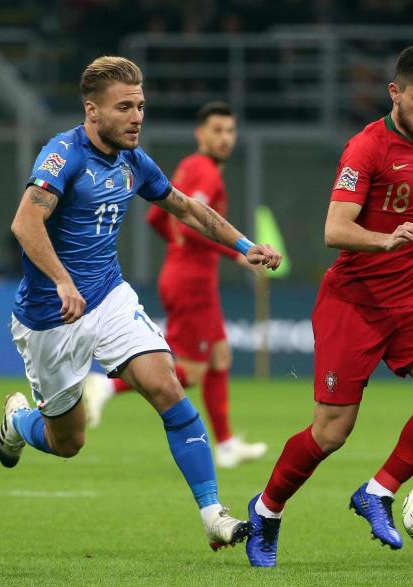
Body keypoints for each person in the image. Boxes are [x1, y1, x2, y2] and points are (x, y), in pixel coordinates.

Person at [0, 56, 281, 551]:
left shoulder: (133, 159)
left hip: (107, 298)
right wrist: (62, 281)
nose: (136, 117)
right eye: (124, 107)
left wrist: (243, 246)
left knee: (167, 385)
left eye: (141, 106)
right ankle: (18, 423)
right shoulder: (63, 155)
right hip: (50, 316)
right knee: (69, 443)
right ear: (92, 111)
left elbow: (186, 208)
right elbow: (25, 224)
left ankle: (213, 513)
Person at [244, 45, 413, 567]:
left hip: (410, 302)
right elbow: (335, 230)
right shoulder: (366, 148)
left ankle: (378, 492)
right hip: (354, 303)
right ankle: (267, 510)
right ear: (395, 92)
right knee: (331, 432)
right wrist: (389, 239)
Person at [82, 101, 268, 469]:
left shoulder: (190, 167)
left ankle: (227, 443)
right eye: (217, 130)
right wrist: (236, 254)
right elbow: (188, 223)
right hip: (192, 282)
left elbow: (156, 216)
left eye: (230, 131)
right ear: (200, 134)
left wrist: (179, 249)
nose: (225, 138)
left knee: (220, 357)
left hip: (190, 275)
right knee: (192, 371)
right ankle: (106, 385)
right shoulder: (206, 173)